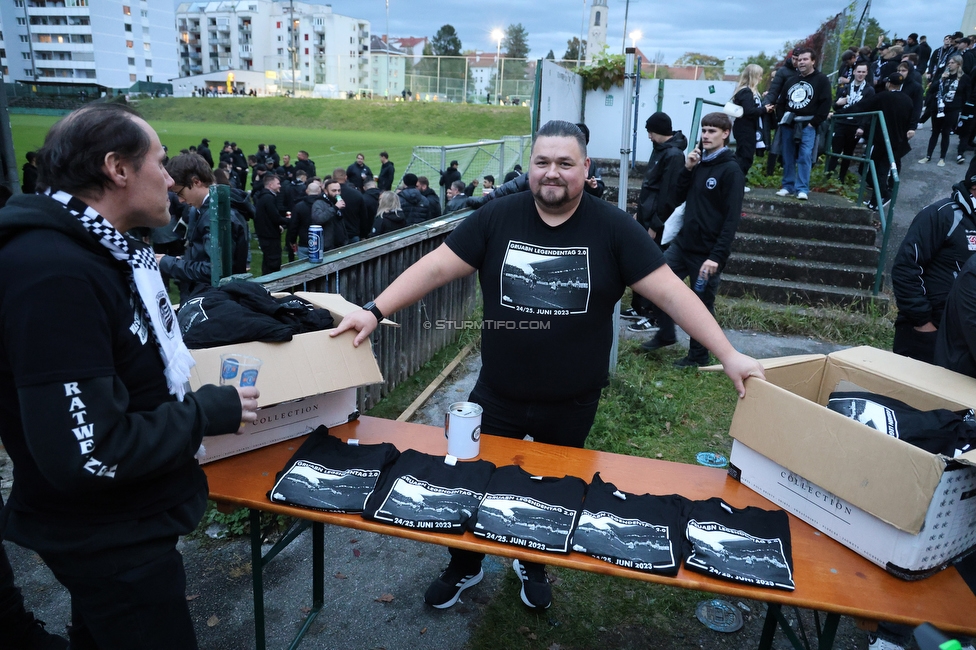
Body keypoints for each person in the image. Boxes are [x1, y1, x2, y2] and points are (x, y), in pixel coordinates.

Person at [329, 120, 765, 612]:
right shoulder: (497, 218)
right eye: (542, 162)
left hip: (572, 400)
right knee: (467, 483)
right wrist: (374, 310)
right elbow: (434, 267)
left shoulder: (613, 228)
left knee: (552, 493)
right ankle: (465, 563)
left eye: (564, 163)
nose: (551, 173)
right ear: (530, 166)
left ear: (585, 168)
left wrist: (728, 354)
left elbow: (670, 291)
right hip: (497, 394)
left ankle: (532, 561)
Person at [0, 102, 258, 649]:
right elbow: (90, 452)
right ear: (117, 169)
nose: (171, 178)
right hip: (109, 538)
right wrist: (206, 413)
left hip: (124, 523)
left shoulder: (102, 253)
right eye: (160, 163)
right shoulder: (52, 273)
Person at [642, 112, 746, 367]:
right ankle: (666, 333)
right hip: (683, 244)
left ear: (725, 134)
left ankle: (698, 356)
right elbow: (677, 197)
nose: (706, 135)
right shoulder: (698, 164)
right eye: (704, 130)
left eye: (712, 131)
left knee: (700, 306)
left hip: (706, 254)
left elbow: (731, 220)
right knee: (656, 286)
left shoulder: (731, 171)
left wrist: (716, 257)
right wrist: (687, 169)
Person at [892, 176, 976, 364]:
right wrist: (922, 323)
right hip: (927, 332)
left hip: (964, 340)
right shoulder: (941, 214)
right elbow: (906, 267)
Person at [157, 153, 249, 303]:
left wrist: (168, 263)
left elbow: (213, 271)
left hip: (216, 301)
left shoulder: (218, 215)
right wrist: (178, 260)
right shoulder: (209, 209)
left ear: (196, 182)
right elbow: (204, 256)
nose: (180, 200)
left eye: (180, 193)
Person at [773, 48, 831, 201]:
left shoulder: (821, 80)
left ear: (813, 61)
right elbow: (781, 102)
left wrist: (814, 123)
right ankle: (787, 186)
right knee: (787, 155)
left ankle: (802, 188)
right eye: (799, 60)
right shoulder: (791, 80)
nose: (802, 62)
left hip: (808, 124)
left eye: (805, 59)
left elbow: (826, 103)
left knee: (805, 155)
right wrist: (782, 119)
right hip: (788, 123)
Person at [854, 73, 914, 210]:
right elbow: (909, 120)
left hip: (882, 141)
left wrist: (839, 113)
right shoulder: (907, 100)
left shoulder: (883, 97)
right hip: (897, 142)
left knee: (875, 171)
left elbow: (862, 106)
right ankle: (876, 201)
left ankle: (883, 195)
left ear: (888, 83)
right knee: (880, 171)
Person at [826, 62, 875, 182]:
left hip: (855, 126)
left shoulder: (869, 90)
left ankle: (841, 179)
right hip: (841, 123)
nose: (861, 74)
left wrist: (862, 127)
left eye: (863, 72)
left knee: (848, 153)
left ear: (867, 73)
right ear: (854, 72)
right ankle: (827, 178)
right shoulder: (845, 87)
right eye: (859, 71)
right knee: (835, 151)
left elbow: (869, 110)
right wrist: (838, 103)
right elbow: (835, 106)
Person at [920, 55, 971, 166]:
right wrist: (941, 79)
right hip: (938, 107)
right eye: (949, 63)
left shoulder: (964, 78)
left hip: (952, 109)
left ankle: (942, 157)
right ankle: (928, 155)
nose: (949, 64)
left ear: (958, 64)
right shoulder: (943, 75)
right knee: (935, 132)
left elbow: (966, 94)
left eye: (952, 63)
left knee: (946, 132)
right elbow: (932, 89)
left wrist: (960, 107)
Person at [730, 64, 767, 181]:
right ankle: (737, 181)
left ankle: (737, 180)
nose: (761, 79)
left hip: (744, 127)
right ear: (754, 76)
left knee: (743, 154)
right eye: (759, 76)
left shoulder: (744, 91)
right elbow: (749, 111)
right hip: (745, 128)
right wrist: (764, 109)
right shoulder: (746, 92)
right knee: (745, 156)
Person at [254, 174, 289, 274]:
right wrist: (289, 221)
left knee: (267, 262)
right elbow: (275, 217)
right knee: (273, 263)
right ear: (270, 185)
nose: (280, 186)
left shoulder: (264, 197)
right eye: (278, 183)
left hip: (266, 235)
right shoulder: (268, 198)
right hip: (270, 237)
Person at [333, 168, 369, 243]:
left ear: (333, 178)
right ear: (345, 177)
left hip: (335, 236)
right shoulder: (356, 194)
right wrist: (363, 235)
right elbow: (363, 217)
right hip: (353, 234)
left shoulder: (329, 195)